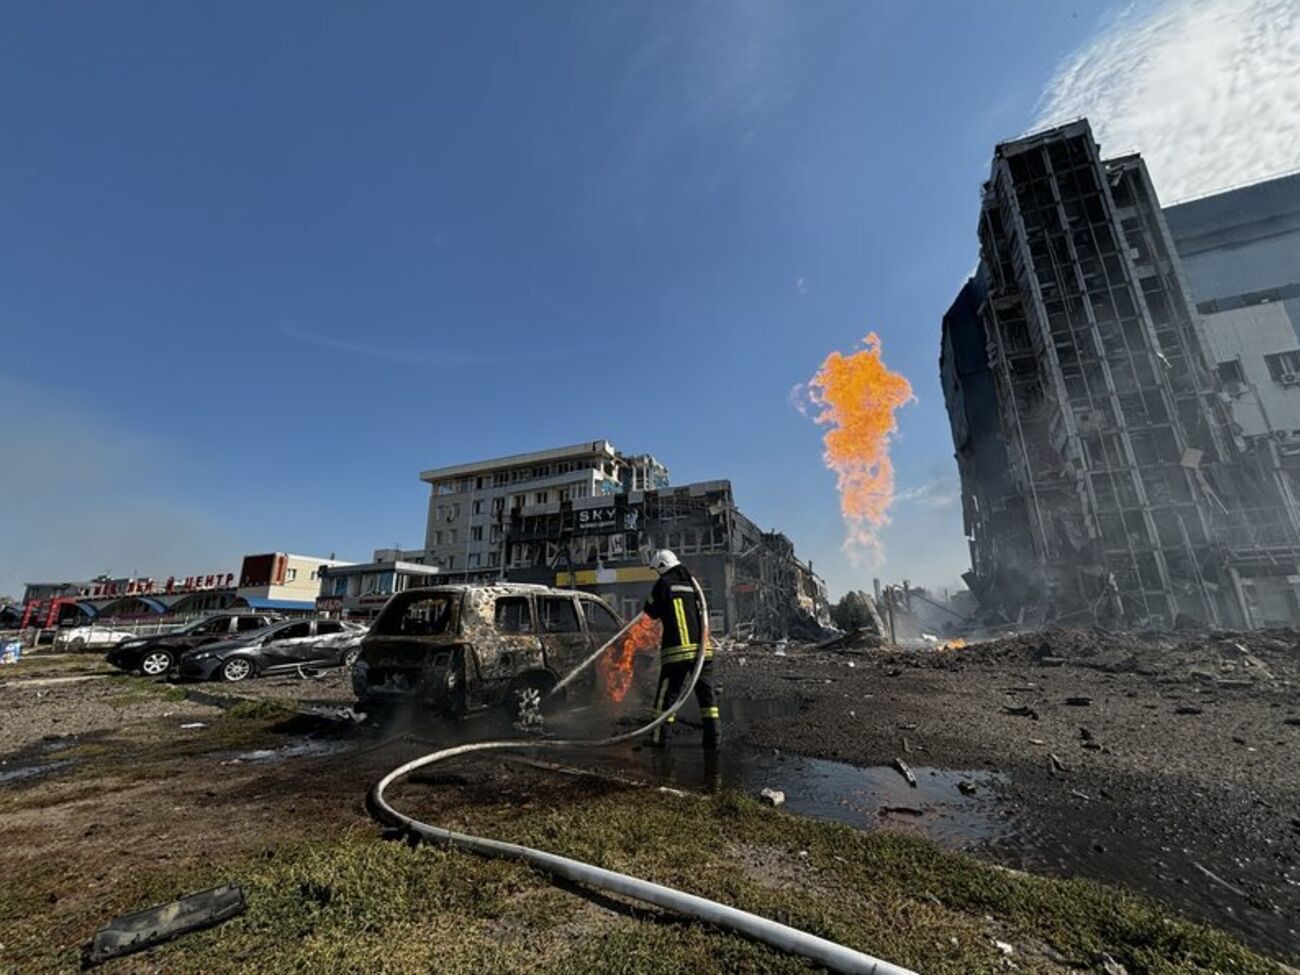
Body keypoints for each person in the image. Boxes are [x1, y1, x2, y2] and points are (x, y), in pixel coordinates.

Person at [642, 549, 720, 749]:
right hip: (703, 652)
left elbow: (650, 611)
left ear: (662, 566)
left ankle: (660, 739)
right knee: (707, 698)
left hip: (677, 652)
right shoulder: (693, 584)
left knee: (666, 697)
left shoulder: (663, 584)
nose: (657, 575)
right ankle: (713, 740)